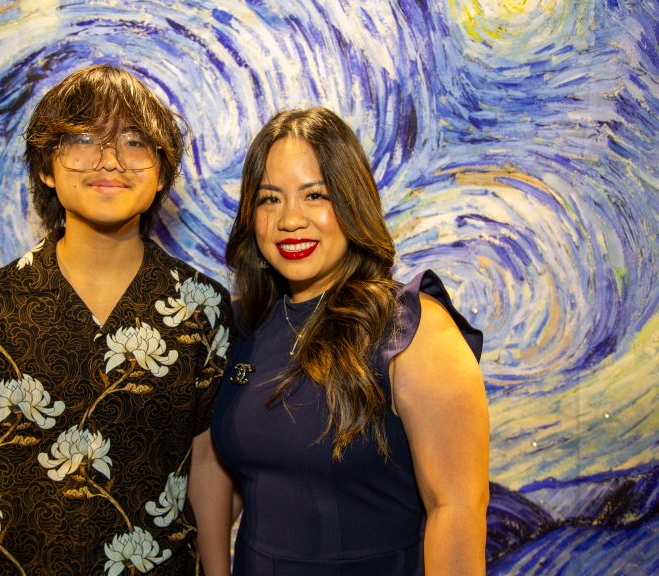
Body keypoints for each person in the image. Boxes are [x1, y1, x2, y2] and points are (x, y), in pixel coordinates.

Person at [0, 65, 234, 576]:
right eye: (84, 139)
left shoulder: (202, 307)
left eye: (134, 142)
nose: (109, 160)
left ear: (161, 173)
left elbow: (205, 462)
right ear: (46, 168)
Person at [209, 108, 489, 575]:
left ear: (352, 201)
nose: (289, 220)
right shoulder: (243, 325)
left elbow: (457, 507)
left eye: (315, 195)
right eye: (270, 199)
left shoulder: (413, 328)